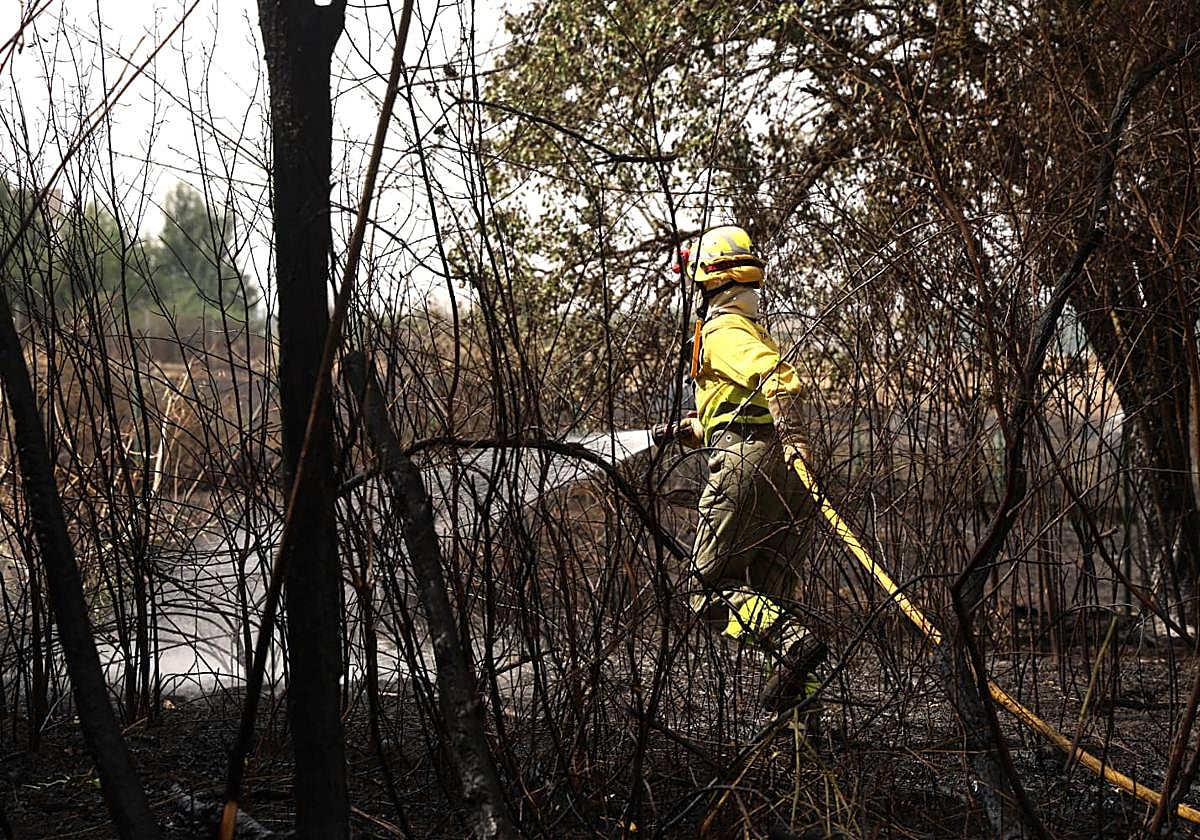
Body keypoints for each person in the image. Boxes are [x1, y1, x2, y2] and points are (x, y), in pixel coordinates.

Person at [666, 224, 827, 713]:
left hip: (749, 465)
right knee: (773, 596)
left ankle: (797, 643)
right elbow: (743, 409)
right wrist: (694, 428)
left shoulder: (722, 330)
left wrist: (791, 429)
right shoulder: (749, 327)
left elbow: (776, 377)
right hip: (788, 475)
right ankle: (803, 731)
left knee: (705, 589)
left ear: (711, 280)